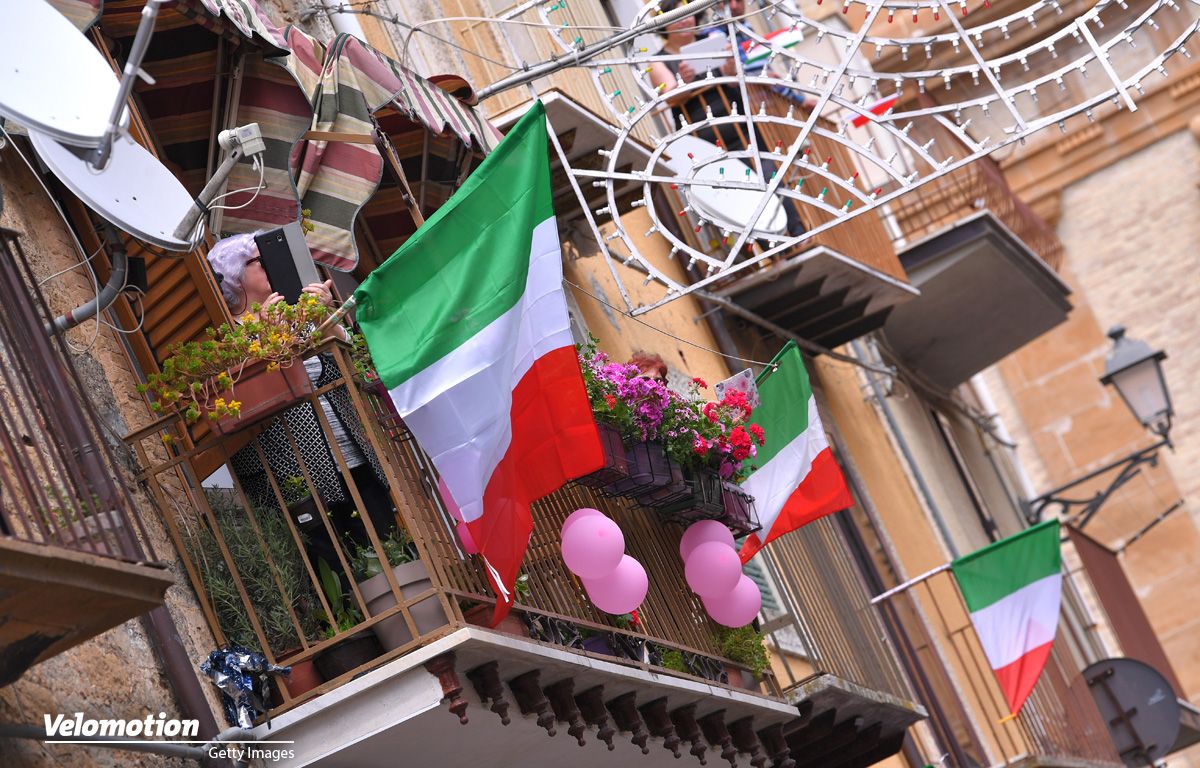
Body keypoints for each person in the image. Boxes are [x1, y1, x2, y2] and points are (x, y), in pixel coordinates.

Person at [207, 232, 394, 570]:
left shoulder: (295, 314)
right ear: (235, 275)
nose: (268, 264)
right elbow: (246, 393)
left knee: (389, 547)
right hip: (295, 475)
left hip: (352, 456)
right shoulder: (228, 336)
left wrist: (324, 317)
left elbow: (358, 368)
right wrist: (261, 332)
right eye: (257, 260)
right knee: (336, 570)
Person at [649, 0, 808, 240]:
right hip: (703, 135)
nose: (684, 20)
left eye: (688, 15)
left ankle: (797, 233)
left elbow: (735, 79)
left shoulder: (711, 41)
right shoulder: (658, 61)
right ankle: (773, 249)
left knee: (769, 176)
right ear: (664, 25)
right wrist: (683, 80)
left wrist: (730, 70)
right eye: (676, 16)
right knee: (738, 194)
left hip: (739, 120)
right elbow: (670, 96)